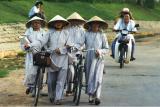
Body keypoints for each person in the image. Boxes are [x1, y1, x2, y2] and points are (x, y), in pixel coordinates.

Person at [24, 15, 70, 105]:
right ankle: (52, 95)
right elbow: (41, 41)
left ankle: (58, 98)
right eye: (56, 22)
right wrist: (30, 45)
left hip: (63, 58)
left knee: (61, 80)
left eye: (60, 22)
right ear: (53, 24)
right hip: (51, 58)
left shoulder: (67, 33)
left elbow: (70, 45)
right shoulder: (49, 33)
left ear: (63, 23)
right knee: (51, 80)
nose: (58, 23)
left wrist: (61, 50)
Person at [84, 16, 109, 105]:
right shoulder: (86, 34)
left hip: (99, 58)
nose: (95, 25)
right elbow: (82, 44)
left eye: (97, 24)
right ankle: (90, 96)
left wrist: (100, 51)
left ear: (99, 25)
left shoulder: (102, 35)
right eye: (93, 23)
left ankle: (97, 96)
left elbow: (106, 48)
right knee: (89, 76)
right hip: (89, 57)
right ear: (90, 25)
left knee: (98, 78)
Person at [20, 16, 46, 96]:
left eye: (38, 22)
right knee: (31, 72)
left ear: (40, 23)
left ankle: (38, 89)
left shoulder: (43, 32)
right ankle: (32, 87)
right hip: (31, 55)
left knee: (41, 72)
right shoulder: (27, 32)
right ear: (31, 24)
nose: (36, 24)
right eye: (34, 22)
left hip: (41, 54)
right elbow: (23, 43)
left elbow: (46, 42)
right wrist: (26, 46)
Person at [65, 12, 86, 96]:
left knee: (78, 68)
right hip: (68, 52)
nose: (74, 22)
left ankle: (75, 86)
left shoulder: (82, 31)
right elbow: (65, 40)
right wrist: (68, 46)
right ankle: (69, 88)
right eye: (73, 20)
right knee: (70, 70)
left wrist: (79, 47)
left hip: (78, 52)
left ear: (79, 21)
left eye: (76, 20)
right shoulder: (66, 30)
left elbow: (84, 42)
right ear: (70, 21)